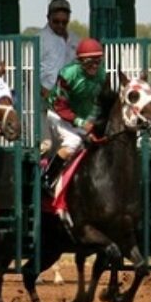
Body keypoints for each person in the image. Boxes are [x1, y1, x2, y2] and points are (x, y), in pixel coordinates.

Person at [41, 38, 107, 199]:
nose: (94, 66)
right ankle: (47, 178)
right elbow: (60, 106)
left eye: (98, 61)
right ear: (80, 61)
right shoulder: (68, 74)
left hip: (81, 118)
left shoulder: (101, 74)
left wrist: (94, 123)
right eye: (90, 61)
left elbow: (100, 100)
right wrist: (81, 123)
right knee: (73, 142)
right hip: (57, 115)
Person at [40, 0, 81, 101]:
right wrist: (42, 90)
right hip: (44, 100)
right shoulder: (39, 40)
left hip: (69, 99)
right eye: (56, 21)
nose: (60, 25)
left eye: (64, 22)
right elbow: (27, 72)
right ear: (48, 18)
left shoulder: (75, 40)